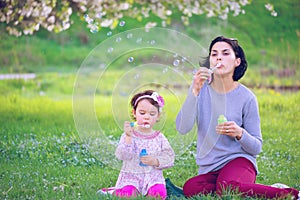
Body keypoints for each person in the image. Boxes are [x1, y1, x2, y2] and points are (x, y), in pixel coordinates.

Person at [176, 36, 299, 199]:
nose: (219, 57)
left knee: (228, 188)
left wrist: (239, 133)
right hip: (210, 168)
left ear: (237, 61)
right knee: (191, 188)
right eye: (214, 54)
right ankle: (257, 188)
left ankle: (292, 194)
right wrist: (194, 91)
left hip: (239, 161)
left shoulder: (247, 97)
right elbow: (183, 128)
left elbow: (257, 147)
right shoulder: (200, 90)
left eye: (225, 53)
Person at [114, 90, 175, 199]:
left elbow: (169, 157)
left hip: (153, 178)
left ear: (158, 116)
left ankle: (151, 190)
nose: (147, 117)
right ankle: (122, 190)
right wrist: (128, 138)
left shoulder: (159, 137)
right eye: (142, 113)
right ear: (134, 113)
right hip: (131, 177)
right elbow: (122, 155)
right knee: (128, 194)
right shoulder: (129, 135)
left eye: (152, 114)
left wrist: (156, 161)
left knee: (159, 194)